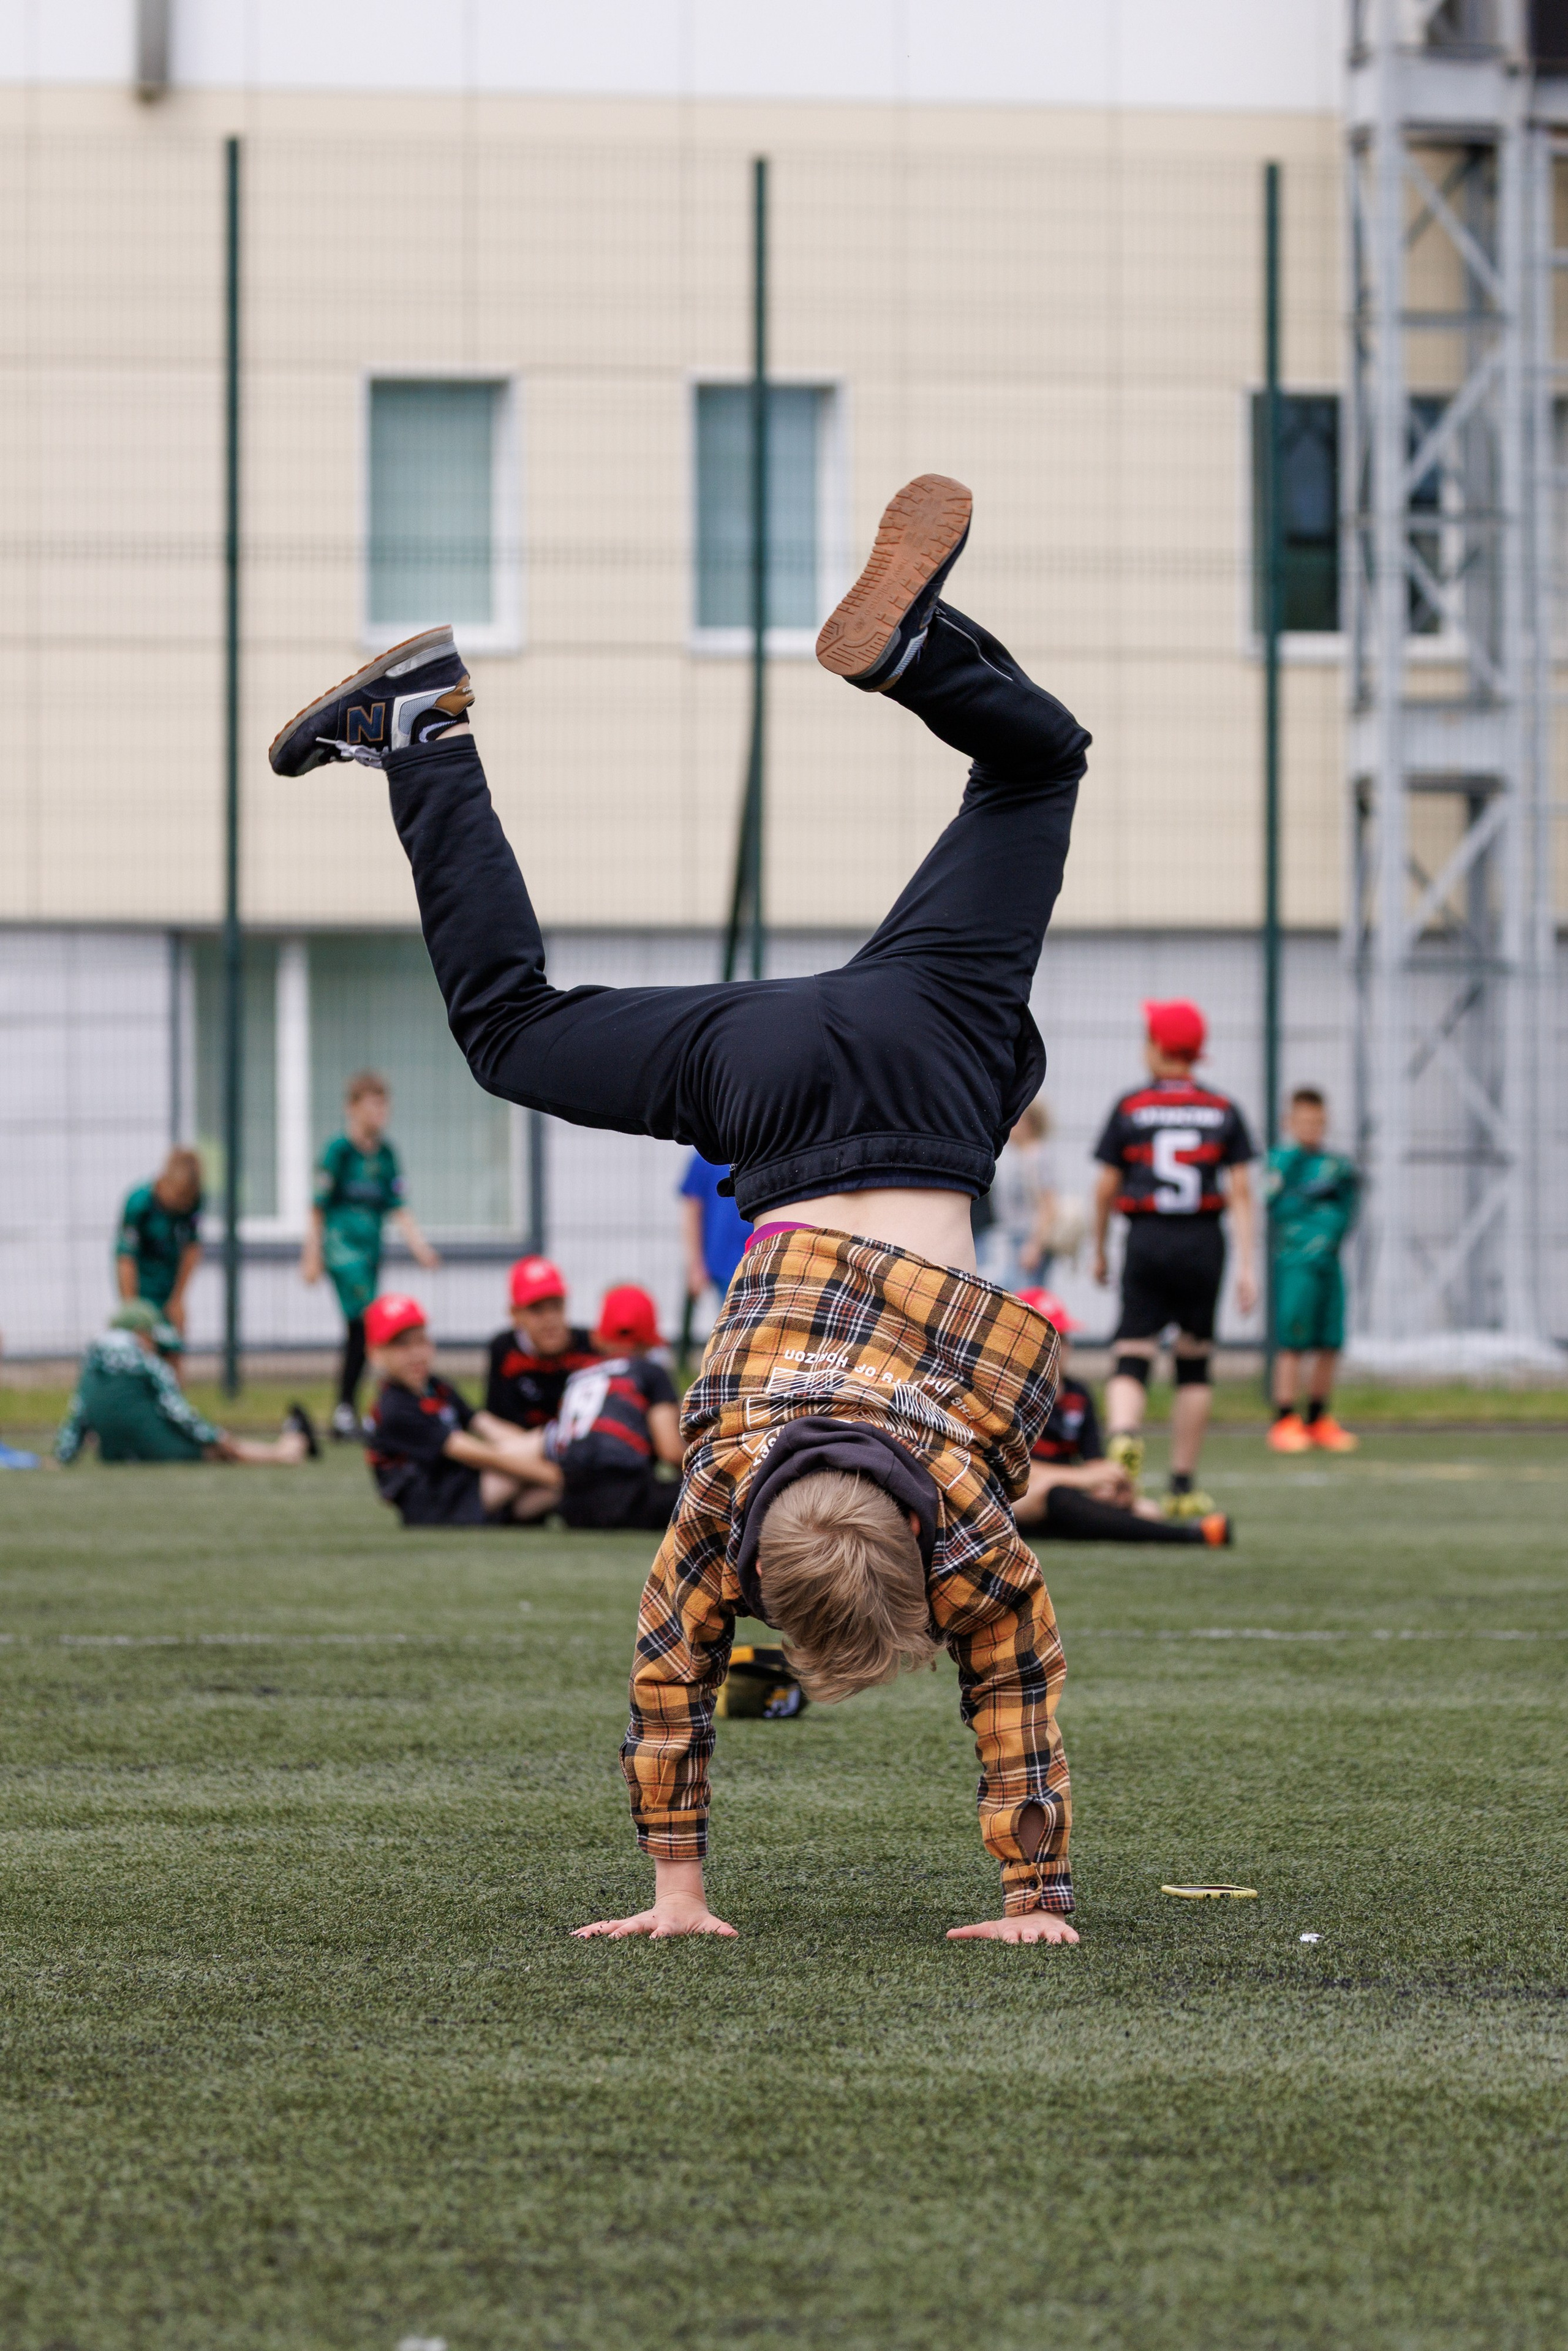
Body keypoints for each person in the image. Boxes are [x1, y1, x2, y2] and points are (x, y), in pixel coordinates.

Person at [271, 471, 1088, 1946]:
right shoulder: (717, 1500)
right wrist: (675, 1891)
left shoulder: (959, 1506)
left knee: (1037, 771)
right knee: (512, 1029)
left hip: (932, 1044)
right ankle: (421, 734)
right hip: (762, 1085)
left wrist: (1040, 1896)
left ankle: (914, 655)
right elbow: (667, 1673)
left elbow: (1015, 1670)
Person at [1090, 1000, 1257, 1520]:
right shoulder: (1223, 1109)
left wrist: (1099, 1247)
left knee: (1132, 1350)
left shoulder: (1131, 1108)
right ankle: (1183, 1483)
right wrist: (1248, 1266)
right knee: (1194, 1363)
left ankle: (1122, 1443)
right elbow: (1243, 1191)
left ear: (1160, 1048)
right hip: (1204, 1240)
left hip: (1147, 1236)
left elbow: (1105, 1188)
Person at [1012, 1290, 1231, 1546]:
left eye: (1066, 1338)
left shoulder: (1078, 1394)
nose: (1064, 1348)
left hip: (1064, 1492)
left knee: (1147, 1509)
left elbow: (1093, 1464)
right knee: (1055, 1497)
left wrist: (1111, 1484)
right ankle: (1187, 1536)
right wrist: (1081, 1478)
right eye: (1053, 1339)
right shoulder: (1006, 1395)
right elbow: (1014, 1473)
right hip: (1019, 1497)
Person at [302, 1071, 440, 1441]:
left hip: (371, 1255)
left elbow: (400, 1207)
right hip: (342, 1254)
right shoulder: (338, 1152)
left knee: (357, 1332)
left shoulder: (387, 1155)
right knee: (365, 1327)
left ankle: (345, 1412)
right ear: (353, 1108)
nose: (381, 1112)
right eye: (373, 1104)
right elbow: (317, 1208)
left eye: (385, 1104)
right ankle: (352, 1409)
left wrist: (420, 1248)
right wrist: (311, 1256)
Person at [362, 1291, 563, 1526]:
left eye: (421, 1341)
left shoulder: (435, 1387)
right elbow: (477, 1454)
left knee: (550, 1478)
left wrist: (540, 1448)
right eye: (401, 1346)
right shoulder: (395, 1408)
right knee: (550, 1466)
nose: (416, 1353)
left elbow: (483, 1423)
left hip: (465, 1487)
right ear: (376, 1355)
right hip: (436, 1505)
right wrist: (555, 1474)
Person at [55, 1301, 317, 1466]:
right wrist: (217, 1437)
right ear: (142, 1335)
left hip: (114, 1454)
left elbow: (79, 1412)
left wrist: (64, 1456)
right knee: (216, 1453)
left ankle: (287, 1446)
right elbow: (178, 1412)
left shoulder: (92, 1361)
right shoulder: (147, 1363)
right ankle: (288, 1451)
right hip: (152, 1447)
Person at [543, 1284, 684, 1531]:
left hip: (571, 1506)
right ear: (650, 1340)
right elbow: (671, 1452)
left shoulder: (578, 1376)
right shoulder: (651, 1373)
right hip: (629, 1502)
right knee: (712, 1494)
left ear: (599, 1336)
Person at [1265, 1088, 1360, 1454]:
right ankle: (1285, 1418)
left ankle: (1318, 1418)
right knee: (1293, 1340)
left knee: (1329, 1340)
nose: (1312, 1129)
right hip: (1296, 1264)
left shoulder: (1337, 1165)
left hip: (1328, 1262)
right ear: (1288, 1123)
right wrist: (1307, 1194)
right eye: (1304, 1121)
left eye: (1318, 1122)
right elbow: (1277, 1204)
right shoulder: (1280, 1162)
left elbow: (1348, 1208)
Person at [485, 1255, 598, 1429]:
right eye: (536, 1309)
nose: (550, 1319)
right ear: (515, 1314)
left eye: (556, 1306)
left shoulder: (590, 1345)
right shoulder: (505, 1350)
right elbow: (499, 1418)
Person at [115, 1147, 203, 1332]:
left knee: (174, 1341)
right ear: (165, 1181)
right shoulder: (139, 1203)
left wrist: (178, 1298)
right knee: (142, 1339)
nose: (184, 1206)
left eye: (188, 1201)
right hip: (141, 1284)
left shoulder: (193, 1202)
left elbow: (192, 1248)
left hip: (169, 1283)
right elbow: (125, 1259)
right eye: (180, 1198)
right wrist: (132, 1308)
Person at [976, 1101, 1058, 1290]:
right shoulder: (1020, 1156)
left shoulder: (1038, 1156)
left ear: (1027, 1123)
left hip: (1028, 1239)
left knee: (1025, 1295)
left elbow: (1048, 1206)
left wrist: (1035, 1245)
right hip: (1013, 1239)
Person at [680, 1152, 752, 1315]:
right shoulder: (705, 1153)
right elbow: (692, 1209)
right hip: (724, 1264)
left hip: (763, 1256)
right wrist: (695, 1265)